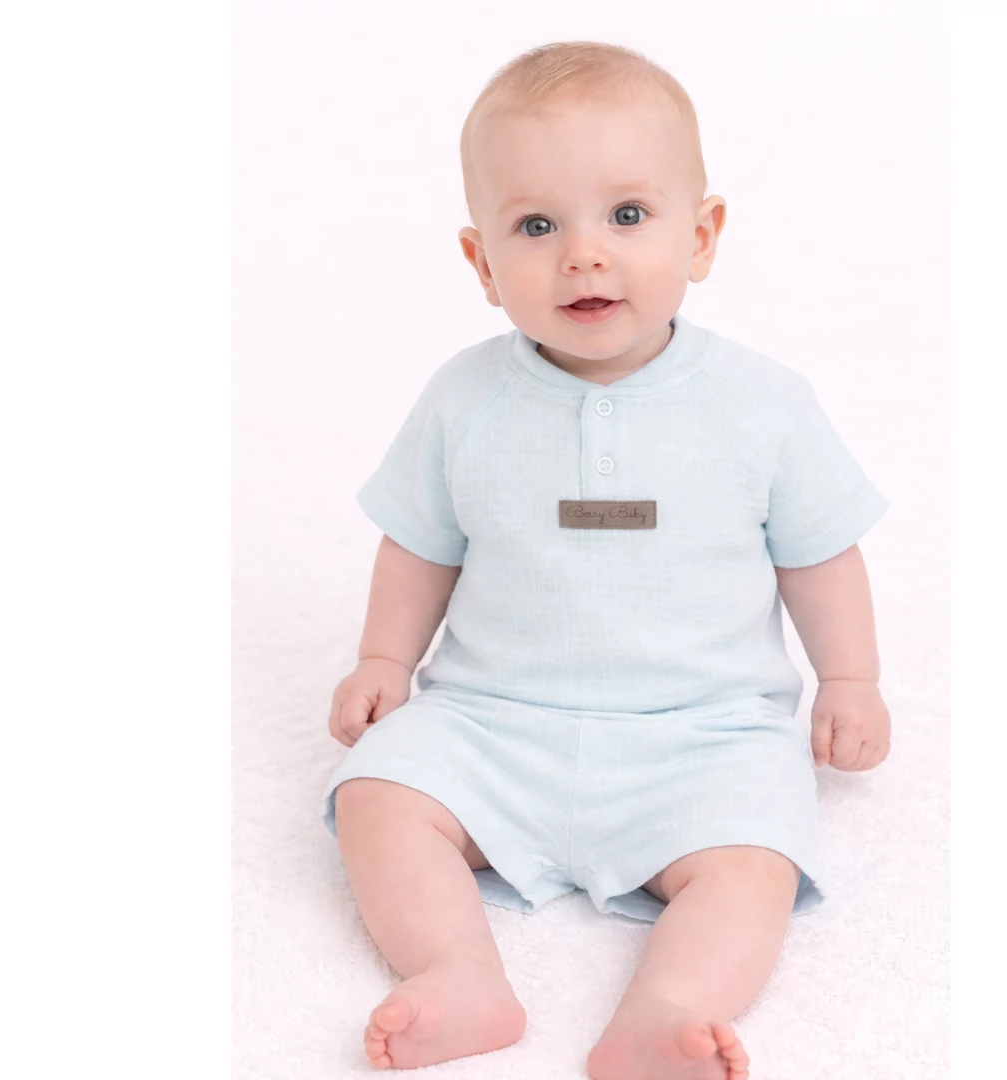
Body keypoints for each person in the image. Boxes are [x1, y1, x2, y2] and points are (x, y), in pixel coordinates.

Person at [319, 40, 893, 1079]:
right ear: (482, 264)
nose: (584, 255)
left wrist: (851, 679)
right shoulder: (463, 399)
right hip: (493, 721)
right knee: (376, 795)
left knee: (754, 854)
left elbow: (819, 555)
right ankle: (459, 973)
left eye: (627, 215)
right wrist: (384, 661)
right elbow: (418, 545)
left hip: (704, 734)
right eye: (537, 226)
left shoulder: (762, 405)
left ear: (701, 235)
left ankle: (669, 1008)